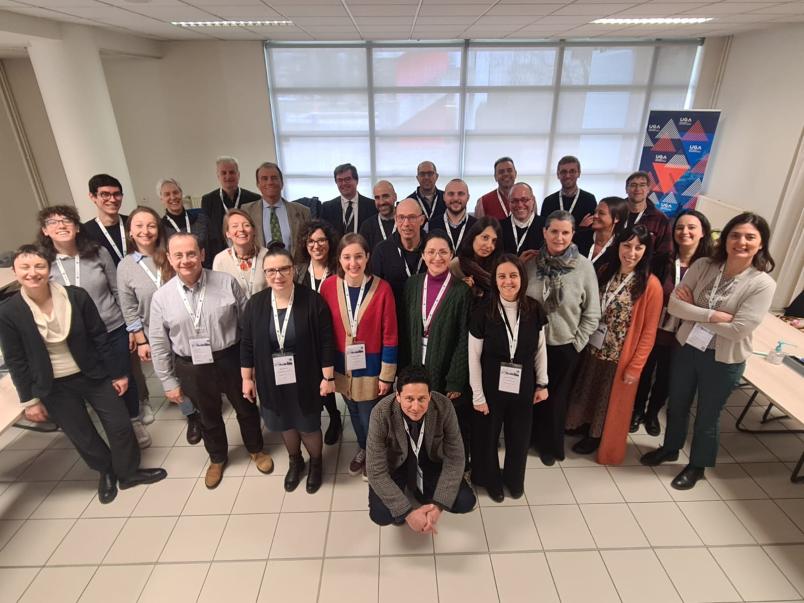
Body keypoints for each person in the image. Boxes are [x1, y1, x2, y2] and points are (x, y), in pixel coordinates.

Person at [0, 245, 167, 504]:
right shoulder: (9, 312)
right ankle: (106, 472)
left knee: (120, 426)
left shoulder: (75, 297)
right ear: (15, 271)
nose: (33, 273)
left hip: (93, 374)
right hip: (53, 385)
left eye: (39, 266)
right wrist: (29, 400)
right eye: (25, 267)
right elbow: (15, 359)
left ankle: (128, 472)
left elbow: (100, 337)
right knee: (82, 434)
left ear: (49, 269)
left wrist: (118, 374)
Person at [641, 212, 776, 489]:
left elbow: (739, 329)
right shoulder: (704, 265)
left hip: (723, 359)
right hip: (688, 347)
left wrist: (696, 312)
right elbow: (676, 306)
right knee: (676, 405)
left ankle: (697, 466)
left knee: (707, 415)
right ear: (725, 238)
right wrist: (715, 316)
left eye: (750, 237)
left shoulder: (762, 283)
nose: (741, 242)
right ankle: (670, 448)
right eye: (735, 235)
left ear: (761, 244)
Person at [149, 233, 274, 489]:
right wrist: (168, 381)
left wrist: (253, 364)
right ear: (170, 259)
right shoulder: (162, 298)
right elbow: (159, 343)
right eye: (179, 255)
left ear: (202, 254)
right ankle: (217, 457)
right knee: (208, 415)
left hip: (230, 356)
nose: (186, 260)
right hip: (191, 364)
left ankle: (256, 449)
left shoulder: (226, 282)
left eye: (191, 253)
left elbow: (247, 326)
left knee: (246, 406)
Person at [37, 205, 150, 449]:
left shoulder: (97, 252)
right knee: (97, 383)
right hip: (75, 336)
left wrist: (131, 328)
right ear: (45, 231)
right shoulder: (44, 263)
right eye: (53, 222)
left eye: (67, 221)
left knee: (124, 375)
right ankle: (113, 430)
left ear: (77, 227)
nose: (61, 225)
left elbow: (118, 290)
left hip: (112, 328)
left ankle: (134, 420)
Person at [241, 244, 336, 494]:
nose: (277, 275)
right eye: (271, 271)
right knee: (284, 422)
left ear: (293, 269)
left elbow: (327, 340)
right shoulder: (256, 304)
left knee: (307, 424)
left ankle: (316, 462)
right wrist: (246, 378)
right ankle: (296, 461)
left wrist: (328, 376)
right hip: (271, 378)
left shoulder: (312, 301)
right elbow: (247, 344)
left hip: (306, 377)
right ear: (264, 273)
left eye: (283, 269)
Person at [565, 224, 663, 464]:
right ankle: (582, 424)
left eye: (638, 248)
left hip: (619, 355)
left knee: (606, 400)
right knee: (588, 390)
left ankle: (596, 436)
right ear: (617, 246)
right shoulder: (606, 271)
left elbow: (649, 332)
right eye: (627, 245)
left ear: (645, 251)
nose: (631, 252)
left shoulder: (650, 285)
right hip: (593, 347)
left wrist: (636, 366)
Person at [117, 206, 202, 445]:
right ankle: (191, 416)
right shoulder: (126, 266)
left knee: (193, 372)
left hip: (184, 327)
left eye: (151, 225)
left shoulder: (172, 254)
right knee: (171, 375)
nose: (146, 231)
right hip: (154, 333)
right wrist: (141, 339)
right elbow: (128, 305)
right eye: (139, 226)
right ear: (130, 232)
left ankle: (204, 406)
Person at [469, 254, 548, 501]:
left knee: (519, 437)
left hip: (523, 384)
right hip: (490, 386)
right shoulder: (482, 311)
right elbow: (473, 357)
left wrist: (542, 383)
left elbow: (541, 349)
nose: (508, 281)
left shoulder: (534, 309)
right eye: (502, 276)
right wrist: (477, 395)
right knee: (488, 437)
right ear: (495, 280)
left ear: (521, 278)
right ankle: (491, 481)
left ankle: (514, 481)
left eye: (513, 275)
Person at [526, 210, 601, 465]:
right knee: (530, 395)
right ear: (544, 232)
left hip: (563, 346)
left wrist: (577, 344)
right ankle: (528, 438)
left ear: (572, 234)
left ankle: (549, 446)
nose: (559, 237)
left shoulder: (583, 267)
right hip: (532, 346)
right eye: (554, 231)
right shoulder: (531, 263)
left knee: (556, 401)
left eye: (565, 232)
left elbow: (592, 312)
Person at [320, 233, 398, 479]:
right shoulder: (329, 286)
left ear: (367, 258)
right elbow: (324, 331)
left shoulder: (382, 288)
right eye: (347, 257)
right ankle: (364, 448)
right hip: (342, 365)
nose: (352, 263)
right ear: (339, 259)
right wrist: (327, 371)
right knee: (352, 409)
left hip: (371, 366)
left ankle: (376, 455)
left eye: (358, 257)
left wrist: (387, 376)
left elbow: (390, 335)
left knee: (369, 414)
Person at [632, 209, 713, 436]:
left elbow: (709, 302)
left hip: (684, 333)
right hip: (655, 328)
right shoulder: (661, 260)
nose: (684, 232)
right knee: (645, 372)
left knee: (667, 376)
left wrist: (690, 302)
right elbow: (648, 290)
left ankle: (652, 414)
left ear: (703, 232)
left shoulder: (710, 267)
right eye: (679, 227)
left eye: (691, 228)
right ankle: (637, 411)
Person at [367, 365, 477, 530]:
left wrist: (439, 505)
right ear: (398, 396)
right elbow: (375, 471)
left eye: (422, 399)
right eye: (409, 399)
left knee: (466, 501)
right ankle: (408, 496)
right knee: (381, 514)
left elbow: (456, 457)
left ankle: (424, 493)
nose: (416, 407)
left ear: (430, 396)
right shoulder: (380, 413)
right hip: (396, 465)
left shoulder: (444, 406)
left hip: (430, 461)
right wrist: (407, 513)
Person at [400, 231, 471, 465]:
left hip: (444, 366)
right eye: (431, 252)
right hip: (414, 361)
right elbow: (403, 329)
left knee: (440, 417)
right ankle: (418, 460)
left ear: (452, 255)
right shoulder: (412, 284)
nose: (437, 257)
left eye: (443, 252)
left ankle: (442, 462)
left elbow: (463, 338)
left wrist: (456, 379)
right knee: (415, 411)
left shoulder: (461, 291)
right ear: (423, 255)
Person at [293, 219, 343, 444]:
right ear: (304, 244)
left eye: (321, 240)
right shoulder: (298, 270)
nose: (316, 245)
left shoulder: (339, 268)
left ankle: (335, 416)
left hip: (335, 332)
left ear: (330, 242)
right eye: (311, 241)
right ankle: (328, 414)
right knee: (315, 379)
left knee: (331, 376)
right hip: (308, 335)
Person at [201, 156, 262, 259]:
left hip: (249, 253)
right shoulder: (208, 200)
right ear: (218, 176)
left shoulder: (254, 198)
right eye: (224, 173)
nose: (228, 176)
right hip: (220, 254)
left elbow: (257, 230)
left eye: (232, 172)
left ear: (238, 175)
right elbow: (207, 233)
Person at [370, 198, 426, 310]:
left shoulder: (432, 248)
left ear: (422, 220)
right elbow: (374, 293)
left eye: (412, 217)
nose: (406, 223)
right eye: (401, 217)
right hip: (394, 317)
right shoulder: (382, 251)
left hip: (427, 318)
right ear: (395, 219)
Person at [243, 162, 310, 250]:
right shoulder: (247, 211)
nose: (270, 182)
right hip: (260, 263)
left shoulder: (303, 211)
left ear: (282, 183)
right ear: (258, 184)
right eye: (264, 179)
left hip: (295, 263)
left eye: (274, 178)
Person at [541, 156, 598, 248]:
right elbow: (545, 232)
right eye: (563, 172)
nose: (567, 176)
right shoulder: (549, 201)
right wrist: (579, 227)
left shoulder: (589, 199)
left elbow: (589, 233)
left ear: (579, 173)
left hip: (580, 251)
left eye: (572, 171)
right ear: (558, 174)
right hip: (554, 250)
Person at [211, 209, 268, 298]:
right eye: (235, 226)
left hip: (264, 309)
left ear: (254, 230)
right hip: (235, 311)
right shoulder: (220, 260)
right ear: (227, 233)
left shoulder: (267, 256)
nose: (241, 229)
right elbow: (219, 295)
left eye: (246, 225)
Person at [623, 171, 672, 272]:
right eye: (633, 185)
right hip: (612, 269)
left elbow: (664, 254)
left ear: (648, 189)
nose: (637, 189)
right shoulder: (616, 212)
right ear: (626, 189)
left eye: (642, 185)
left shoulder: (660, 219)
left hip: (643, 273)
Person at [158, 178, 212, 267]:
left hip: (206, 271)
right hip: (178, 276)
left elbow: (214, 247)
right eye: (167, 194)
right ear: (162, 199)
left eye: (175, 192)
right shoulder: (160, 228)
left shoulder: (202, 219)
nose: (173, 197)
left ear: (181, 194)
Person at [450, 217, 503, 303]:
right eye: (485, 238)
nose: (489, 245)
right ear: (473, 236)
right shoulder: (456, 265)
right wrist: (461, 289)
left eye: (494, 241)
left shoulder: (499, 266)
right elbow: (447, 300)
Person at [82, 173, 129, 267]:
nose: (112, 199)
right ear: (93, 197)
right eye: (105, 194)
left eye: (117, 194)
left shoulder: (133, 223)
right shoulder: (84, 232)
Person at [320, 163, 377, 239]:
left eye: (347, 179)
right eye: (340, 180)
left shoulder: (372, 206)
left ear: (356, 180)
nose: (343, 183)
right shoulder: (327, 208)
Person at [427, 178, 477, 253]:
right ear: (444, 197)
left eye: (461, 194)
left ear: (468, 197)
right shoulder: (430, 226)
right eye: (451, 194)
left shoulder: (477, 226)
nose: (456, 198)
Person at [577, 196, 629, 265]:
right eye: (595, 212)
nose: (595, 216)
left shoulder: (620, 246)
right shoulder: (580, 237)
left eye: (601, 213)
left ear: (616, 218)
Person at [501, 182, 543, 257]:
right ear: (509, 202)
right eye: (515, 201)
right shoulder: (499, 228)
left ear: (533, 200)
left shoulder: (546, 227)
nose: (520, 205)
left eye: (524, 200)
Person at [359, 180, 397, 251]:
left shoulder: (405, 222)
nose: (381, 202)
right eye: (377, 198)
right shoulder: (367, 226)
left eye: (385, 196)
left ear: (395, 197)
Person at [406, 161, 446, 225]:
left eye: (430, 174)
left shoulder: (447, 199)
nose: (426, 177)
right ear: (417, 178)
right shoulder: (409, 202)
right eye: (422, 174)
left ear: (436, 176)